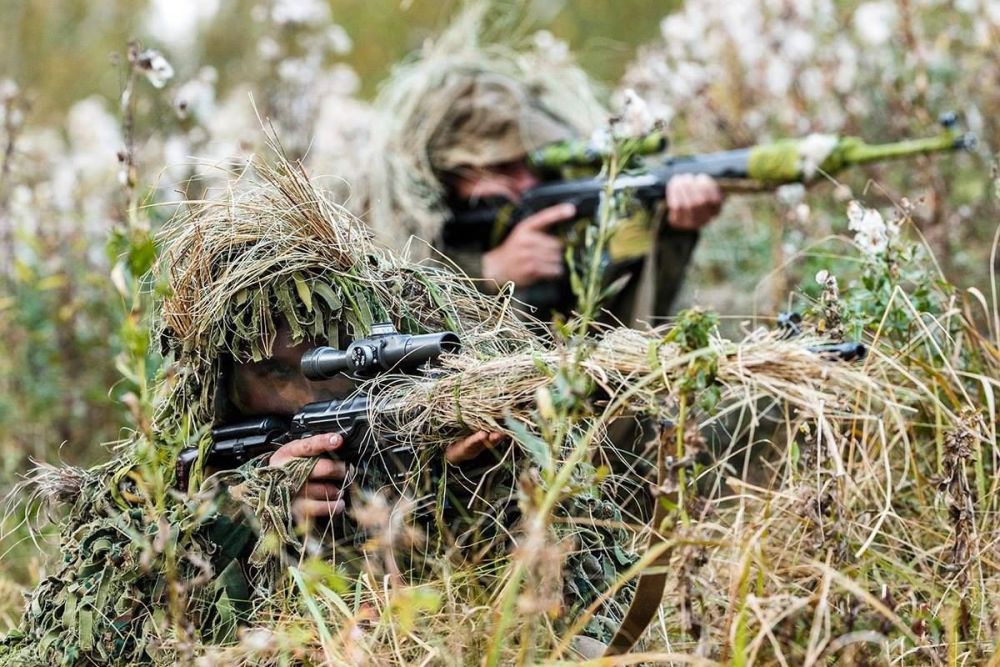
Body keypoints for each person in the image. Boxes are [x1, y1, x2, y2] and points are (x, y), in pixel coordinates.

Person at [0, 159, 526, 665]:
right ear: (221, 384)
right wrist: (251, 511)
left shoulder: (396, 416)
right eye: (275, 372)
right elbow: (103, 638)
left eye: (328, 366)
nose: (306, 395)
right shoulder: (150, 490)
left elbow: (485, 592)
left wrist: (458, 476)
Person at [361, 5, 723, 326]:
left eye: (530, 162)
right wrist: (488, 272)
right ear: (444, 177)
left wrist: (672, 233)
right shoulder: (386, 223)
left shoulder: (567, 201)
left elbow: (619, 333)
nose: (527, 181)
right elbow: (384, 316)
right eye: (500, 168)